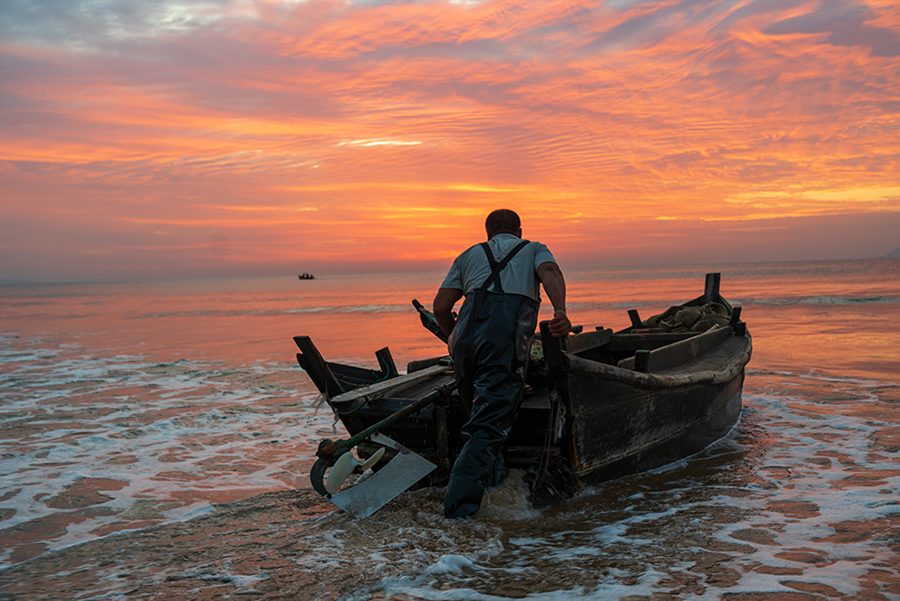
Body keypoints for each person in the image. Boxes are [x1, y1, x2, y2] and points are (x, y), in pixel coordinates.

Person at [433, 209, 571, 519]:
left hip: (465, 341)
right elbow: (550, 271)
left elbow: (441, 306)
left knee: (479, 413)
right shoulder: (534, 248)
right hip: (503, 339)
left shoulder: (469, 254)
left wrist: (453, 340)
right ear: (520, 230)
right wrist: (560, 310)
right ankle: (458, 515)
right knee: (487, 425)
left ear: (487, 233)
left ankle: (495, 477)